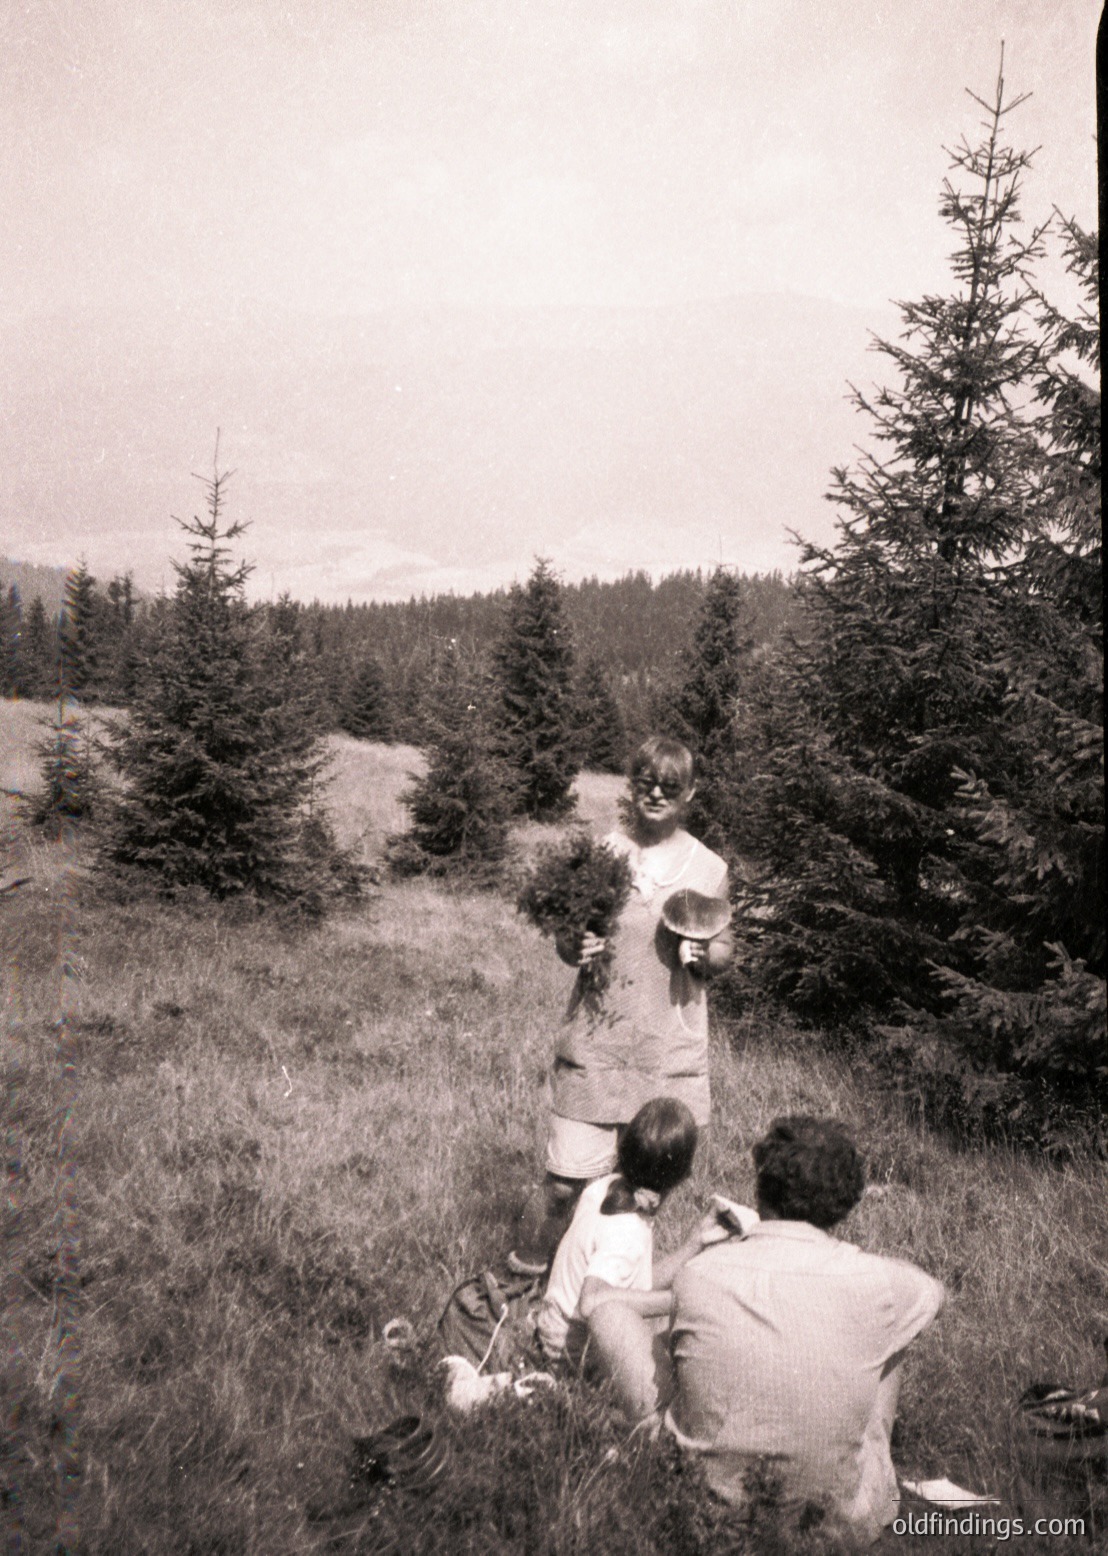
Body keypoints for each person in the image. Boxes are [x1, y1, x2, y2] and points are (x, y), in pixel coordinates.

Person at [586, 1117, 945, 1545]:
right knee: (896, 1325)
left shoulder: (700, 1273)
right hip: (833, 1526)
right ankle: (876, 1470)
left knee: (611, 1316)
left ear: (761, 1190)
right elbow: (933, 1293)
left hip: (702, 1510)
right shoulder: (878, 1281)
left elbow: (615, 1311)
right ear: (846, 1202)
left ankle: (663, 1461)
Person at [513, 736, 732, 1271]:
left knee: (638, 1193)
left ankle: (601, 1291)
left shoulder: (709, 868)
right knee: (562, 1185)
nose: (656, 793)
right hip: (597, 1043)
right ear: (632, 786)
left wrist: (705, 956)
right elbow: (569, 939)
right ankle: (517, 1283)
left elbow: (725, 948)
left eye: (670, 786)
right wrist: (573, 945)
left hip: (666, 1051)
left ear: (690, 793)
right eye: (646, 782)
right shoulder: (602, 854)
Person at [538, 1097, 740, 1365]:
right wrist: (678, 1302)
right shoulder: (627, 1228)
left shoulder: (605, 1188)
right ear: (685, 1175)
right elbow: (591, 1301)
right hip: (572, 1351)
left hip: (554, 1330)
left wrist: (696, 1242)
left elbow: (634, 1285)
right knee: (701, 1327)